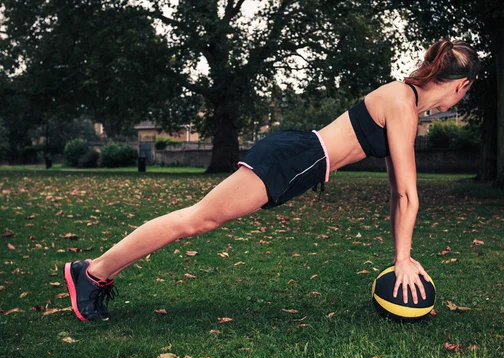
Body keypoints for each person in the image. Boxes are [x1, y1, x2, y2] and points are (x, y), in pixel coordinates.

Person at [63, 39, 479, 322]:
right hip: (294, 159)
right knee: (197, 219)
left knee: (197, 218)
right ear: (461, 85)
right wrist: (402, 260)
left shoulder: (402, 102)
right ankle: (93, 272)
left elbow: (398, 192)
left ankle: (93, 272)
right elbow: (408, 194)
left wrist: (400, 254)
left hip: (297, 158)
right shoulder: (402, 103)